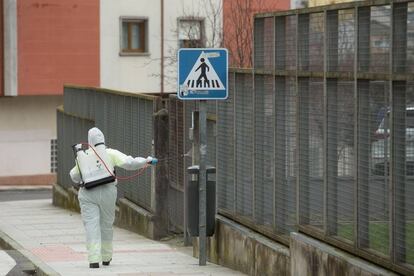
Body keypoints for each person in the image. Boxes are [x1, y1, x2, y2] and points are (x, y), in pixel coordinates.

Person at [69, 127, 156, 268]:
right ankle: (106, 257)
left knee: (91, 225)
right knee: (106, 225)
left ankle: (93, 260)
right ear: (102, 139)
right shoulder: (110, 153)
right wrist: (146, 161)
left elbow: (73, 175)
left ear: (89, 141)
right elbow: (129, 163)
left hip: (88, 194)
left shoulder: (83, 156)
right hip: (108, 192)